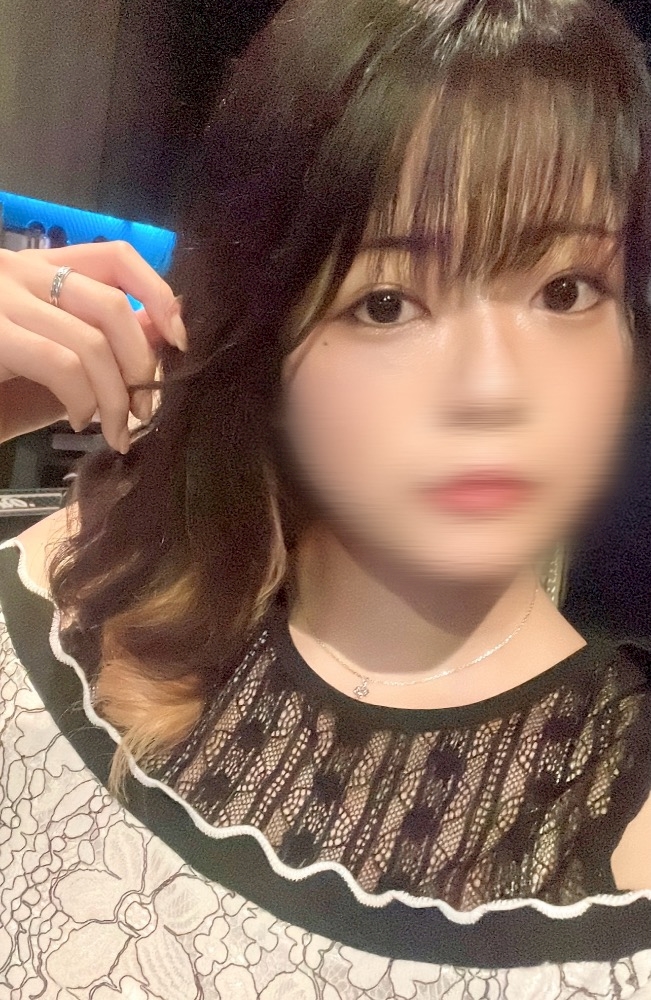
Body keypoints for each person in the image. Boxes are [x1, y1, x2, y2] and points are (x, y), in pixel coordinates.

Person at [0, 0, 650, 996]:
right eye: (386, 302)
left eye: (565, 290)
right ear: (263, 339)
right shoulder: (56, 613)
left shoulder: (622, 825)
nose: (494, 387)